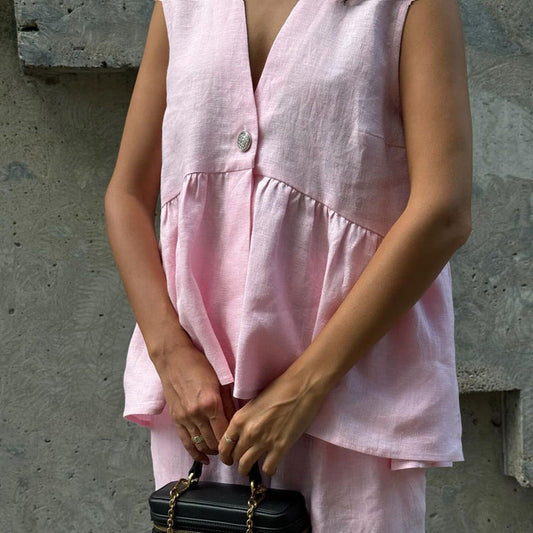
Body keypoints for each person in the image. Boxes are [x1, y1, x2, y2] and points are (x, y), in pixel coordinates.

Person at [104, 0, 472, 530]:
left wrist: (304, 388)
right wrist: (170, 354)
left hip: (346, 397)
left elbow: (443, 211)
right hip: (201, 409)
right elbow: (125, 196)